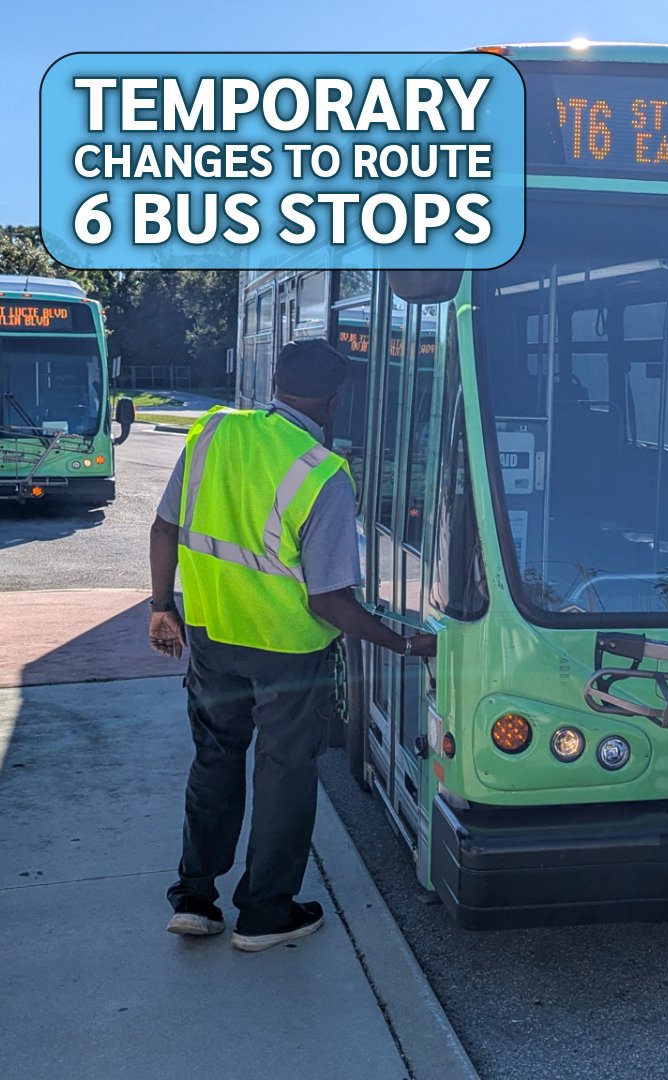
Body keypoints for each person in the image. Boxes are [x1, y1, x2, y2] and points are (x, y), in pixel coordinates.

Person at [148, 338, 435, 952]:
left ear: (274, 382)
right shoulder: (322, 473)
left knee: (215, 758)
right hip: (287, 652)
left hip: (210, 634)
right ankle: (264, 913)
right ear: (332, 405)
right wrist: (407, 644)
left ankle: (196, 898)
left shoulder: (213, 430)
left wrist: (160, 608)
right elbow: (329, 603)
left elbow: (164, 527)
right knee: (284, 773)